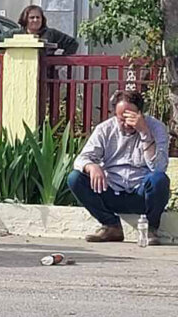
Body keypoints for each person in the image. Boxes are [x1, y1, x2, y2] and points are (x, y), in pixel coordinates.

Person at [67, 89, 170, 244]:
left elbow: (159, 167)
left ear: (141, 113)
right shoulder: (104, 129)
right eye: (121, 118)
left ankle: (151, 229)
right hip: (111, 190)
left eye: (131, 117)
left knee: (159, 179)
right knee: (75, 178)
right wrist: (91, 166)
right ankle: (111, 225)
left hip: (141, 192)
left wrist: (145, 133)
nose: (126, 123)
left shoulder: (157, 128)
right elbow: (82, 159)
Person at [0, 5, 79, 55]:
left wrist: (59, 62)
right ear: (25, 19)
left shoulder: (51, 34)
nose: (35, 20)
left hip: (47, 78)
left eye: (38, 17)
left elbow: (72, 43)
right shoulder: (15, 33)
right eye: (32, 17)